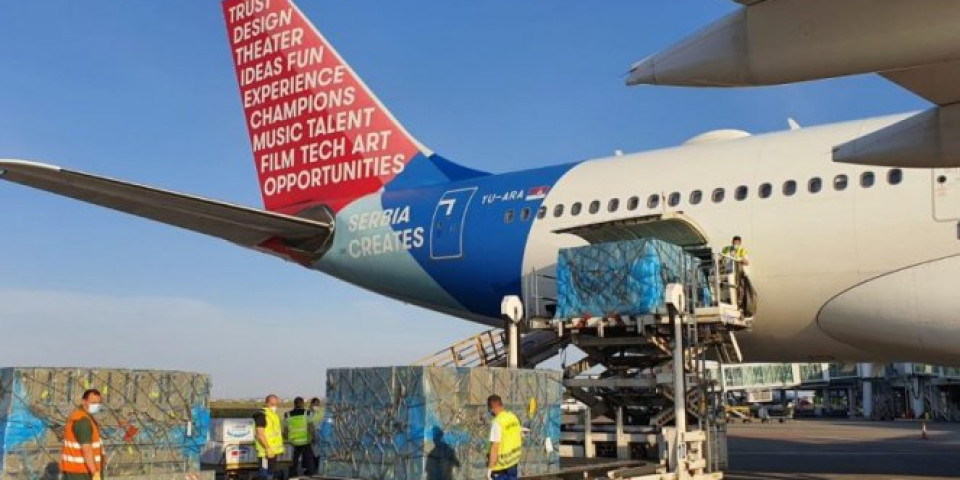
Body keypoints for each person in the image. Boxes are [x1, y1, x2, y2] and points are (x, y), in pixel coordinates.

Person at [61, 389, 104, 480]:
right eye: (93, 402)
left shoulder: (81, 417)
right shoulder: (83, 422)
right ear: (84, 402)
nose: (96, 405)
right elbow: (86, 449)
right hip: (81, 472)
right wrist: (95, 473)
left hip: (76, 471)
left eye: (98, 403)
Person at [486, 395, 522, 480]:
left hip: (501, 467)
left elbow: (495, 447)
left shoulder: (497, 422)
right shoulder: (512, 417)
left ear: (491, 408)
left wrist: (490, 468)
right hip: (513, 462)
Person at [253, 395, 286, 480]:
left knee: (271, 473)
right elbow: (260, 433)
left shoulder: (273, 415)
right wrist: (268, 448)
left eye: (276, 404)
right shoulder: (262, 415)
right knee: (265, 475)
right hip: (265, 452)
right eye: (272, 404)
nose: (274, 406)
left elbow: (276, 433)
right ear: (266, 403)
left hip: (273, 452)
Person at [283, 397, 315, 477]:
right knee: (309, 459)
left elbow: (285, 429)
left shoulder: (287, 415)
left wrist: (287, 438)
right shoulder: (307, 413)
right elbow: (311, 427)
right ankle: (310, 474)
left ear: (294, 404)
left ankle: (292, 475)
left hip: (293, 442)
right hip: (305, 441)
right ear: (302, 403)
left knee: (294, 460)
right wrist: (314, 437)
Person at [307, 398, 322, 475]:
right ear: (311, 404)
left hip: (318, 436)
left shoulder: (320, 413)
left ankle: (316, 469)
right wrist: (312, 436)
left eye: (318, 404)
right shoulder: (308, 413)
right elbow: (309, 426)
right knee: (310, 455)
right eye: (315, 404)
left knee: (317, 454)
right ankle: (309, 471)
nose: (316, 406)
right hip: (309, 437)